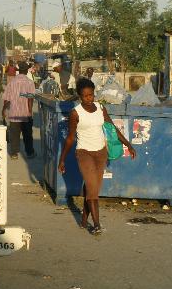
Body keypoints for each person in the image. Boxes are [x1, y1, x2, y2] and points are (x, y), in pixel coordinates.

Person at [58, 78, 136, 235]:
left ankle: (83, 219)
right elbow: (70, 138)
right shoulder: (76, 113)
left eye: (91, 95)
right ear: (80, 96)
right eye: (85, 96)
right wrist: (62, 159)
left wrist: (128, 144)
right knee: (93, 190)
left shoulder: (101, 108)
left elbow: (112, 128)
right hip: (84, 153)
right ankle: (97, 224)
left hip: (101, 153)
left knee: (91, 188)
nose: (89, 98)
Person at [2, 61, 36, 159]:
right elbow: (30, 98)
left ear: (18, 71)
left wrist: (3, 110)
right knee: (28, 135)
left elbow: (6, 99)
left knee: (14, 134)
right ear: (26, 71)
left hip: (14, 113)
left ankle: (14, 154)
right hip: (25, 113)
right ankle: (30, 153)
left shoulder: (12, 82)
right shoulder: (30, 82)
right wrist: (30, 111)